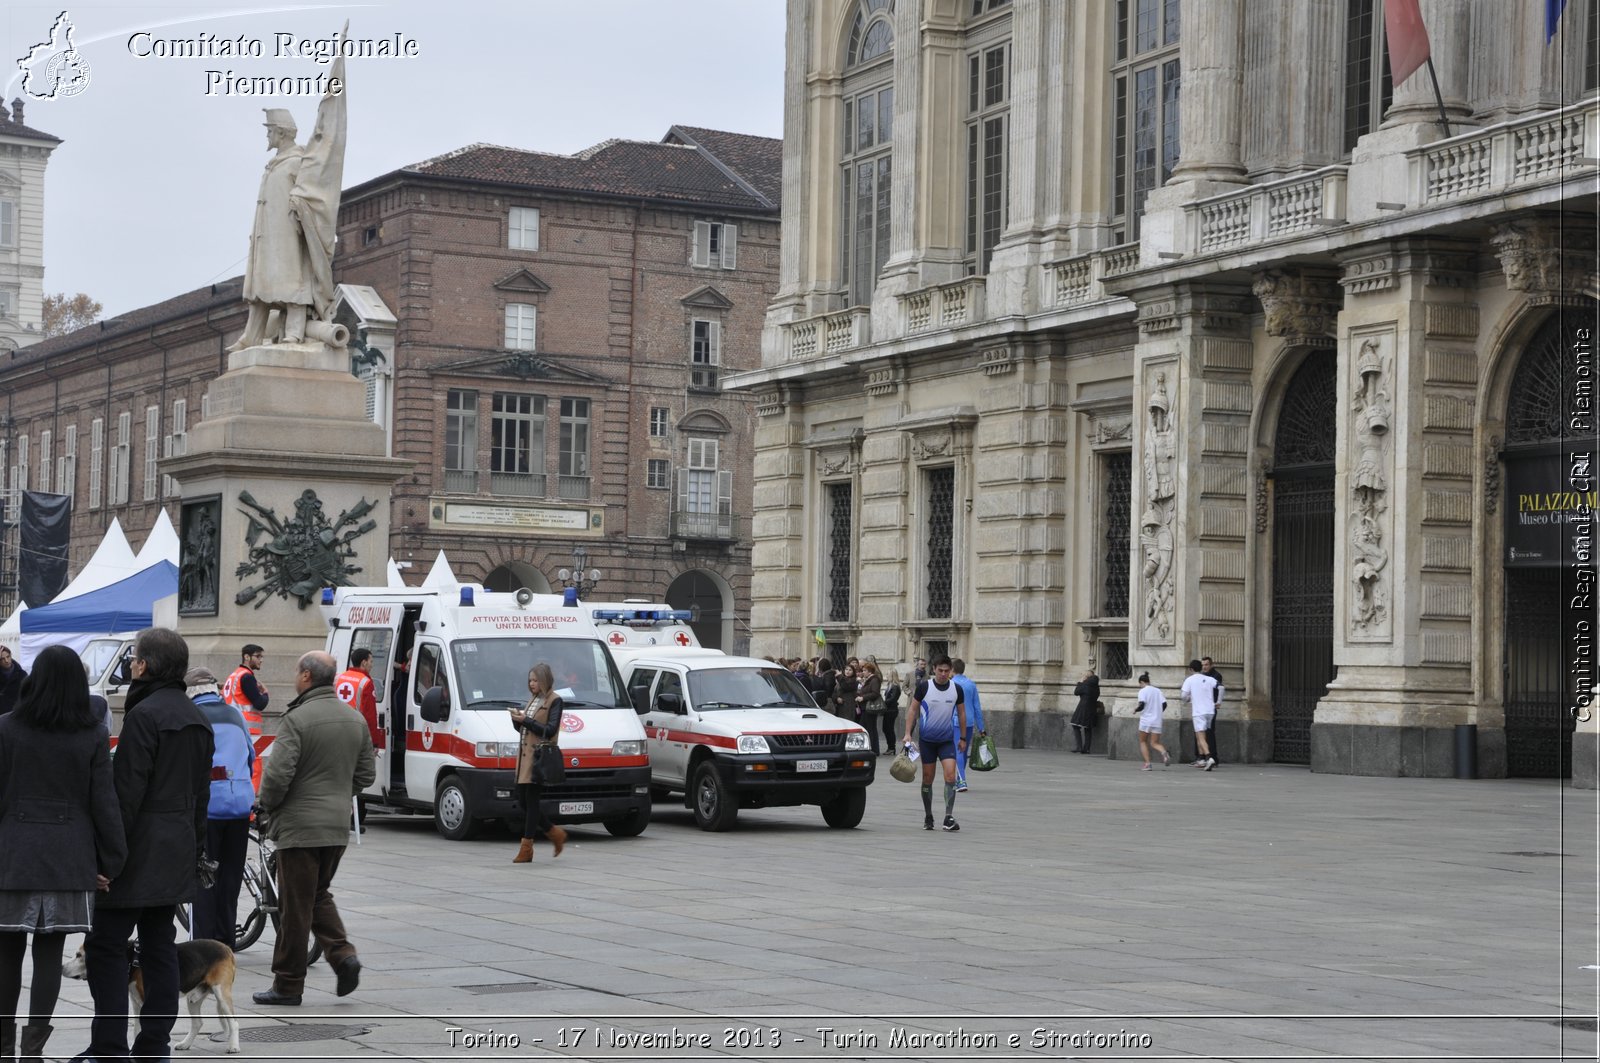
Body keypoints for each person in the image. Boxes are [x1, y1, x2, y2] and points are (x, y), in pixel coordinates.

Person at [73, 627, 213, 1063]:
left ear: (144, 666)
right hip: (175, 849)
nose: (132, 664)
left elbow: (126, 796)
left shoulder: (145, 715)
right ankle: (154, 1048)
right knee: (159, 947)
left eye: (134, 657)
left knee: (106, 947)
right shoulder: (197, 718)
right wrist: (194, 852)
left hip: (137, 851)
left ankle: (108, 1046)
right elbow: (200, 797)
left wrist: (108, 860)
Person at [0, 646, 126, 1063]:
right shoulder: (90, 733)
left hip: (14, 852)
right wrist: (110, 861)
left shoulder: (6, 728)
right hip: (69, 853)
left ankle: (3, 1046)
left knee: (6, 955)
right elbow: (103, 802)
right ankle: (33, 1051)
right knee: (49, 955)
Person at [253, 652, 375, 1006]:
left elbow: (278, 776)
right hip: (336, 826)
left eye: (296, 671)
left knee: (295, 906)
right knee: (316, 895)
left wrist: (266, 805)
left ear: (306, 676)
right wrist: (338, 796)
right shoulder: (354, 719)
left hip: (298, 827)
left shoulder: (297, 718)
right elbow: (366, 775)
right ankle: (343, 956)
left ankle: (288, 984)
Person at [227, 62, 348, 353]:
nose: (267, 136)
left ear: (281, 133)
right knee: (261, 287)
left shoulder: (298, 162)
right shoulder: (275, 164)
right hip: (268, 238)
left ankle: (294, 332)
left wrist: (302, 206)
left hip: (290, 238)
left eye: (270, 131)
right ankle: (252, 335)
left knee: (293, 284)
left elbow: (317, 193)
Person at [188, 667, 255, 952]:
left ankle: (204, 944)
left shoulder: (193, 717)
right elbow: (250, 757)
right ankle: (226, 941)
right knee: (230, 878)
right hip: (240, 804)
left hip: (208, 808)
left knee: (204, 878)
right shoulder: (235, 714)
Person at [510, 663, 568, 864]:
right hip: (525, 757)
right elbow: (525, 730)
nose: (531, 684)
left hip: (538, 758)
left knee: (531, 801)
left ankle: (526, 848)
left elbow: (550, 730)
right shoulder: (533, 699)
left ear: (544, 680)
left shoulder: (555, 700)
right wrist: (517, 720)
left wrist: (525, 720)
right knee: (522, 800)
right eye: (530, 680)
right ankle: (555, 833)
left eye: (535, 680)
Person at [902, 656, 967, 832]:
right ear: (934, 670)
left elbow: (961, 714)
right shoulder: (925, 687)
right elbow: (913, 710)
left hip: (946, 741)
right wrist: (908, 734)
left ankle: (948, 817)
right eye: (940, 670)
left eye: (947, 671)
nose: (944, 674)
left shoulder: (957, 689)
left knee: (951, 777)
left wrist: (963, 738)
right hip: (927, 741)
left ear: (951, 671)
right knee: (927, 779)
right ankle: (928, 815)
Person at [223, 644, 270, 790]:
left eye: (262, 657)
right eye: (258, 656)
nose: (261, 660)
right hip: (247, 731)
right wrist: (266, 693)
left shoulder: (234, 675)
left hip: (232, 728)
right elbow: (259, 703)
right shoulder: (247, 677)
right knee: (254, 768)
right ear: (246, 657)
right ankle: (249, 806)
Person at [334, 648, 383, 751]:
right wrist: (374, 742)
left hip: (336, 730)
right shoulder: (366, 682)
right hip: (354, 733)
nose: (372, 665)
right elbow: (370, 715)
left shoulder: (338, 678)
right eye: (371, 661)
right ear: (364, 663)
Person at [950, 659, 985, 792]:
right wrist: (981, 728)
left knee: (958, 750)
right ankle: (960, 778)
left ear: (952, 669)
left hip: (956, 721)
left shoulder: (951, 684)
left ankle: (961, 780)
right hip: (969, 721)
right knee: (963, 750)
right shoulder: (971, 684)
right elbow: (977, 707)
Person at [1180, 659, 1219, 771]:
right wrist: (1218, 701)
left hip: (1198, 712)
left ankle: (1209, 757)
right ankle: (1201, 759)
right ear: (1201, 668)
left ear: (1191, 669)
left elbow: (1183, 696)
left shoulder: (1189, 680)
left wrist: (1188, 699)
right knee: (1201, 735)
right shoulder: (1209, 678)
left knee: (1200, 736)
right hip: (1210, 711)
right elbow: (1221, 687)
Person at [1134, 671, 1170, 771]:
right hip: (1157, 720)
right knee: (1155, 743)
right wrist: (1157, 712)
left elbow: (1142, 705)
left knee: (1143, 741)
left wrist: (1135, 710)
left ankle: (1147, 764)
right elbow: (1165, 704)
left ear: (1141, 682)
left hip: (1146, 720)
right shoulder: (1158, 691)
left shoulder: (1142, 691)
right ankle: (1164, 753)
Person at [854, 661, 883, 755]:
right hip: (865, 708)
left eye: (865, 670)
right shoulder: (868, 680)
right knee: (867, 727)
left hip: (869, 708)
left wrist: (863, 697)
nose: (863, 672)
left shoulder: (874, 680)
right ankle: (871, 748)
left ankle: (873, 749)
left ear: (870, 671)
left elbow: (875, 693)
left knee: (870, 728)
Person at [1200, 656, 1224, 766]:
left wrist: (1218, 702)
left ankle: (1213, 758)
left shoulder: (1216, 676)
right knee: (1201, 733)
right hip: (1203, 708)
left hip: (1211, 708)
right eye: (1203, 665)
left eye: (1206, 665)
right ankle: (1202, 757)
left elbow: (1221, 688)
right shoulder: (1202, 675)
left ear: (1211, 665)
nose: (1204, 667)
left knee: (1209, 733)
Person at [1070, 667, 1100, 754]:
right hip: (1092, 708)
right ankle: (1086, 748)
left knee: (1075, 725)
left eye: (1084, 675)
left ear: (1086, 677)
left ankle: (1079, 747)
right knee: (1088, 728)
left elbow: (1076, 692)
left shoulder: (1085, 684)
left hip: (1083, 708)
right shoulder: (1096, 686)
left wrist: (1080, 682)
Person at [878, 669, 902, 757]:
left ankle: (892, 748)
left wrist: (883, 703)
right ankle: (890, 747)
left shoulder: (895, 686)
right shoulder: (889, 685)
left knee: (889, 729)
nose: (886, 676)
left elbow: (892, 699)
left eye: (888, 674)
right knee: (886, 729)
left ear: (892, 675)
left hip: (891, 711)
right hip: (888, 710)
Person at [0, 646, 27, 717]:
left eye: (8, 657)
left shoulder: (22, 674)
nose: (6, 660)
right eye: (2, 659)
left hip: (16, 716)